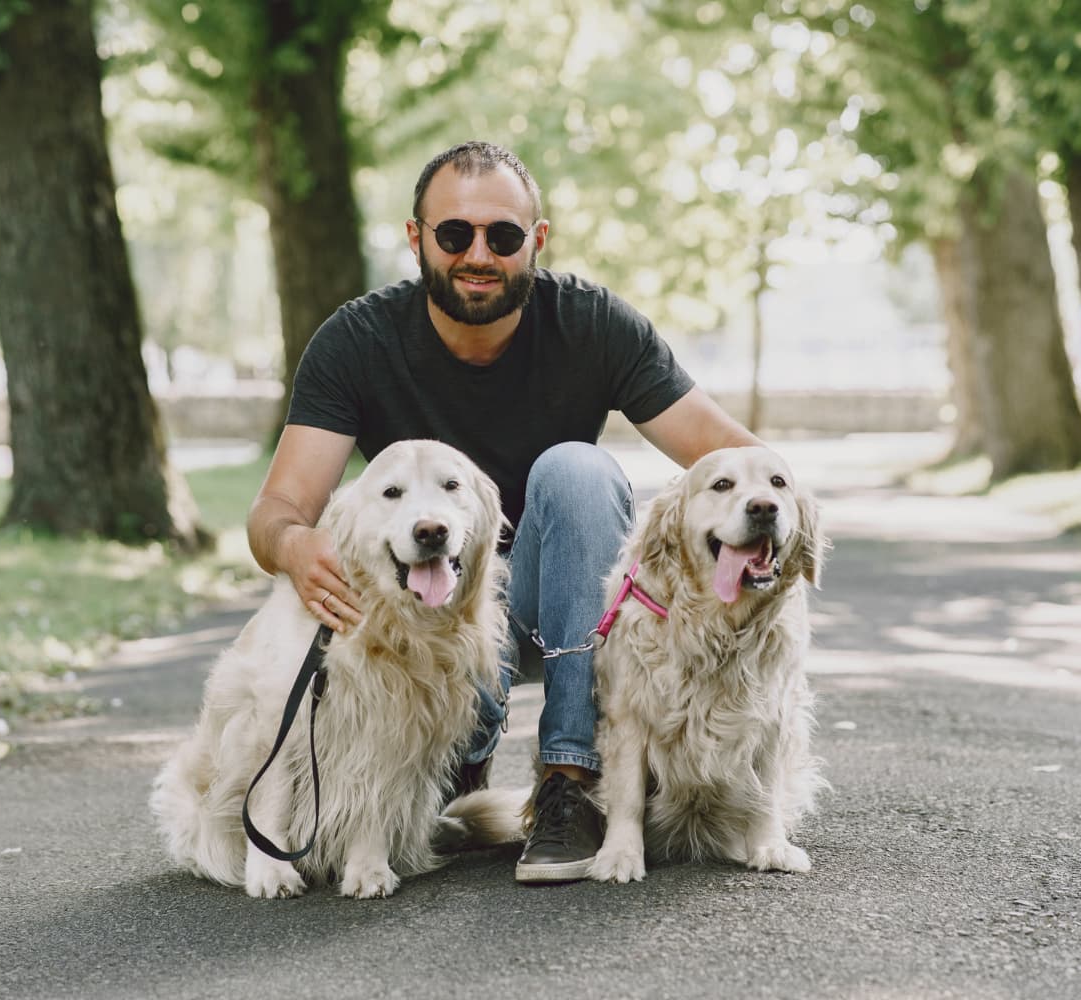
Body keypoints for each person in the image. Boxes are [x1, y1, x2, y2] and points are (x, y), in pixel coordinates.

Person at [246, 140, 760, 884]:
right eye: (454, 234)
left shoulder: (592, 324)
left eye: (504, 236)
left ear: (537, 240)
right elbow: (277, 509)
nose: (478, 254)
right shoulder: (356, 341)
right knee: (435, 818)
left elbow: (732, 460)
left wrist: (768, 533)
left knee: (576, 469)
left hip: (562, 607)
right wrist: (295, 548)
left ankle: (569, 783)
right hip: (431, 625)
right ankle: (457, 751)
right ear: (416, 238)